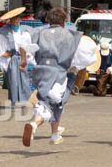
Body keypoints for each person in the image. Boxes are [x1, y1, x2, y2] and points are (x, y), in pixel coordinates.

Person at [22, 8, 98, 147]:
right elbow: (89, 54)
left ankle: (54, 134)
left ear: (48, 20)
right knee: (55, 101)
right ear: (64, 22)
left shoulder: (38, 32)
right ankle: (34, 124)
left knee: (50, 102)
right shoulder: (70, 35)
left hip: (40, 72)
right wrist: (75, 65)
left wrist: (23, 61)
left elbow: (22, 42)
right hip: (58, 74)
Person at [0, 7, 35, 106]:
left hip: (23, 58)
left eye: (17, 18)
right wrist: (6, 54)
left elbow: (29, 45)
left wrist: (28, 55)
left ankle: (26, 99)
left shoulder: (25, 31)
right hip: (12, 59)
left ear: (20, 19)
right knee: (13, 80)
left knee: (24, 79)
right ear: (10, 20)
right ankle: (13, 101)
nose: (16, 20)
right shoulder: (4, 32)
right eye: (13, 19)